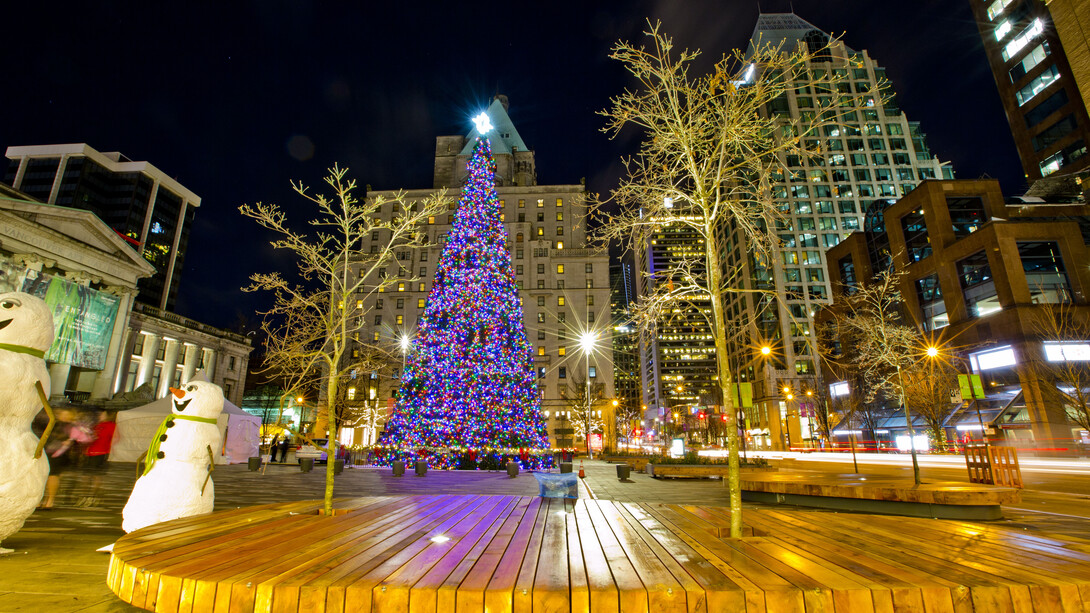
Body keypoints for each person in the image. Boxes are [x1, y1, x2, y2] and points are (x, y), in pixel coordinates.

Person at [79, 411, 115, 507]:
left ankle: (93, 496)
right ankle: (84, 496)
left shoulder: (110, 425)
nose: (99, 416)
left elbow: (115, 439)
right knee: (85, 476)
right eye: (98, 414)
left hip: (101, 453)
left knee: (96, 475)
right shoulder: (93, 425)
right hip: (88, 453)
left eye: (102, 414)